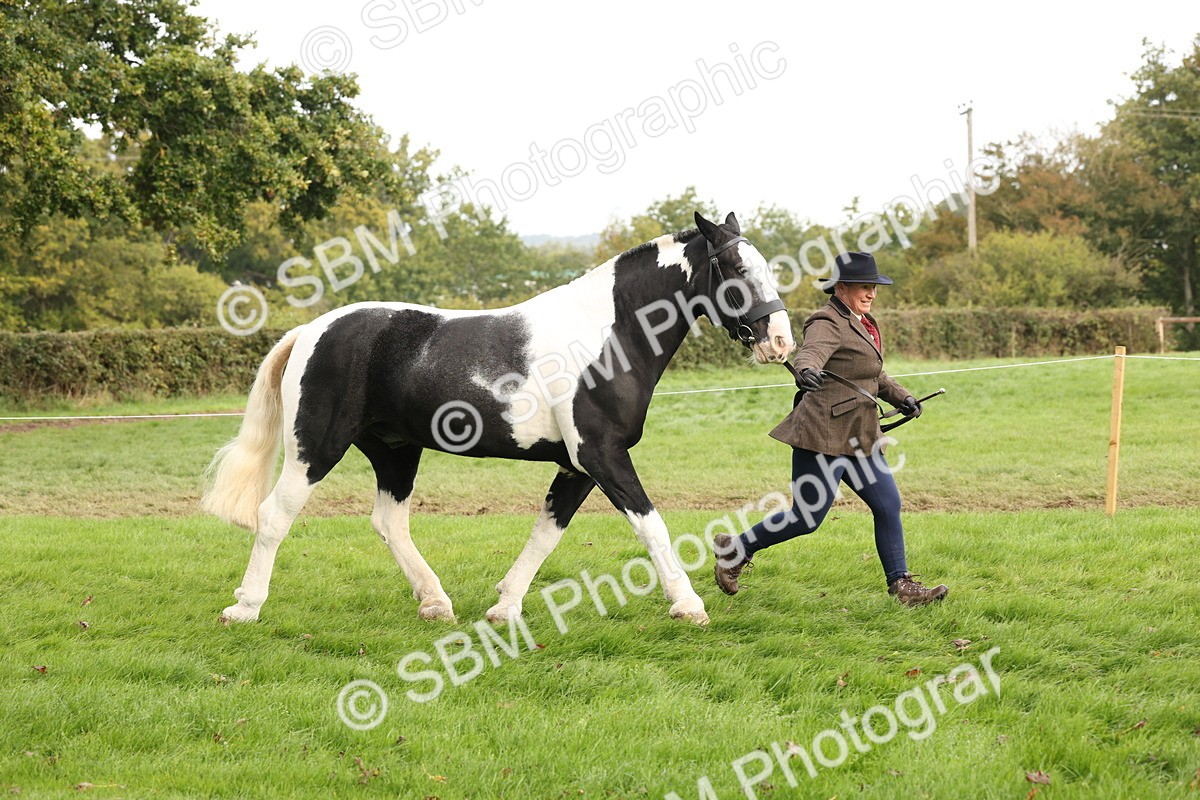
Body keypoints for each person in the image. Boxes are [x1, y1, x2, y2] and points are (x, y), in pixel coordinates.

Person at [713, 251, 948, 606]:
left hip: (861, 435)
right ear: (841, 287)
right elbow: (812, 352)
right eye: (863, 287)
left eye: (873, 287)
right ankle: (736, 549)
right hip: (822, 435)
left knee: (888, 504)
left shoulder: (862, 321)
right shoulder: (826, 321)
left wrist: (904, 397)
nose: (870, 293)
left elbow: (872, 373)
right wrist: (806, 370)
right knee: (807, 517)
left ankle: (902, 586)